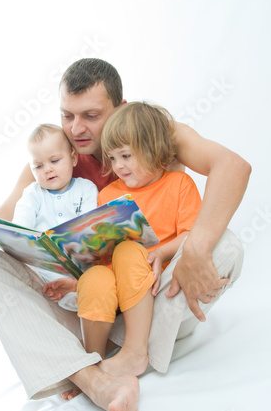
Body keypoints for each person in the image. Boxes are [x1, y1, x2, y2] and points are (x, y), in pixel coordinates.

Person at [0, 58, 250, 411]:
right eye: (67, 115)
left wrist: (194, 248)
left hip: (158, 297)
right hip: (89, 305)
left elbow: (233, 166)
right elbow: (5, 224)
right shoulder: (56, 157)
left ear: (120, 108)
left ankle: (111, 355)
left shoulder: (151, 131)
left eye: (91, 115)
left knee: (226, 245)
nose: (76, 129)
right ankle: (97, 380)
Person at [48, 102, 202, 378]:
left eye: (126, 156)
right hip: (120, 290)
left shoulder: (179, 184)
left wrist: (161, 253)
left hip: (158, 283)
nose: (118, 166)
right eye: (112, 158)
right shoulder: (109, 195)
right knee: (95, 277)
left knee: (132, 250)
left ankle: (134, 352)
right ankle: (92, 365)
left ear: (153, 148)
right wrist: (77, 281)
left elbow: (193, 233)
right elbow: (103, 255)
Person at [12, 123, 98, 310]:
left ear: (73, 158)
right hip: (44, 266)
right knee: (27, 268)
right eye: (38, 166)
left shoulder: (86, 188)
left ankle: (77, 293)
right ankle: (57, 294)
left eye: (54, 161)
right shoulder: (32, 193)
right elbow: (20, 225)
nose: (48, 170)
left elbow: (89, 225)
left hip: (79, 263)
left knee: (93, 274)